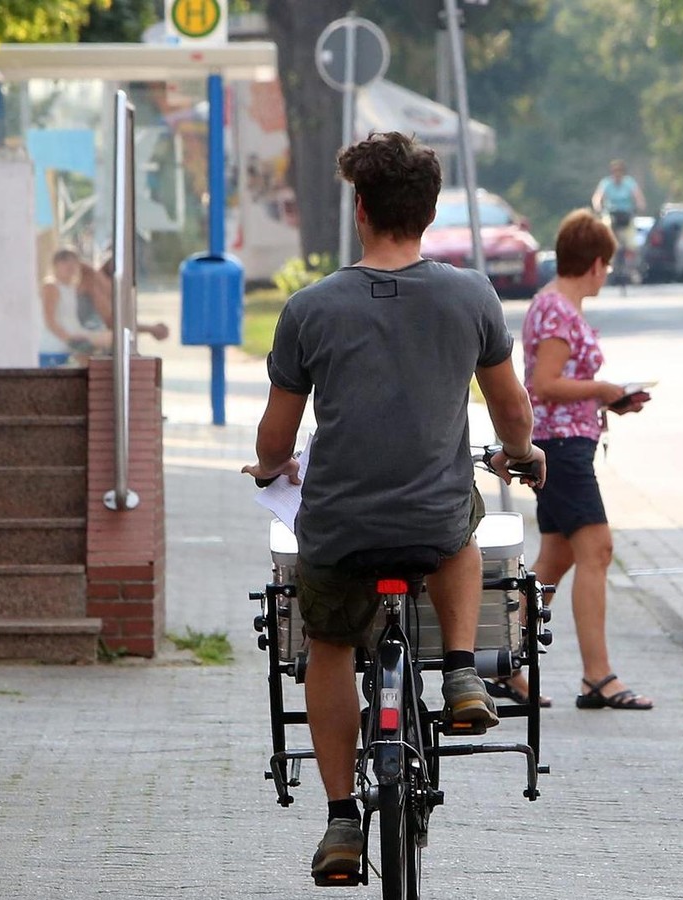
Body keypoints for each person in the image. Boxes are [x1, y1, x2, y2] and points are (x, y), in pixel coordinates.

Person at [240, 132, 546, 882]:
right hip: (430, 517)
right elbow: (512, 411)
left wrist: (270, 468)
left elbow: (276, 438)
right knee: (462, 523)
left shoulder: (310, 308)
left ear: (361, 208)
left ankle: (343, 819)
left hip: (339, 529)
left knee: (330, 648)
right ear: (429, 211)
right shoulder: (471, 295)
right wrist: (524, 454)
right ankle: (466, 675)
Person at [517, 208, 653, 711]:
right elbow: (545, 385)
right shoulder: (556, 309)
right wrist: (600, 387)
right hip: (561, 450)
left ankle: (503, 662)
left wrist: (607, 400)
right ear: (596, 263)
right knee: (597, 549)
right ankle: (597, 676)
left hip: (563, 444)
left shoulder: (557, 306)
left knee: (555, 560)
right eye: (608, 266)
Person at [39, 248, 171, 367]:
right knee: (111, 339)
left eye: (73, 263)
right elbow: (49, 321)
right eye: (65, 263)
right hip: (62, 339)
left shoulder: (72, 287)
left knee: (114, 339)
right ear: (56, 265)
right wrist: (69, 339)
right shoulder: (52, 287)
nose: (71, 267)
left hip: (76, 333)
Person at [590, 159, 645, 269]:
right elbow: (597, 197)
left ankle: (632, 266)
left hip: (626, 215)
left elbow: (638, 196)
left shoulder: (630, 183)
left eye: (620, 171)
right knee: (606, 232)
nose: (617, 174)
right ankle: (608, 262)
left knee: (632, 243)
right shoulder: (606, 183)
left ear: (623, 173)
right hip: (611, 214)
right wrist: (598, 206)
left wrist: (640, 205)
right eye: (615, 171)